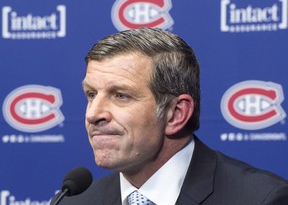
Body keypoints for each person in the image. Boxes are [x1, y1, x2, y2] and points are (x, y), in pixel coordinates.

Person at [51, 27, 288, 205]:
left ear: (176, 113)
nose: (93, 114)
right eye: (91, 94)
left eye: (121, 95)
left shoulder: (261, 199)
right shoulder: (73, 202)